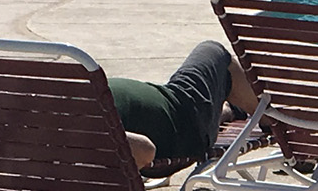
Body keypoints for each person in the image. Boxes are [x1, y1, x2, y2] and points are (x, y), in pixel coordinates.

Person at [109, 44, 259, 176]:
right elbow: (144, 150)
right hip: (185, 119)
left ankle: (228, 112)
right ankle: (269, 119)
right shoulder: (93, 132)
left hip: (169, 106)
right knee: (214, 51)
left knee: (215, 85)